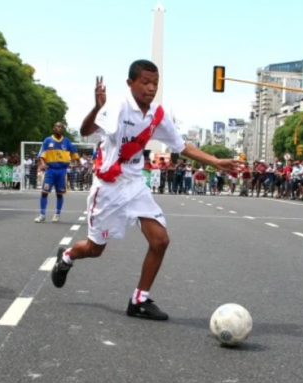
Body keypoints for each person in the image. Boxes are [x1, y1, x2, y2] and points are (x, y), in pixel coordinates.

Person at [51, 61, 241, 320]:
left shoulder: (156, 114)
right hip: (108, 187)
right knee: (95, 249)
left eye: (155, 83)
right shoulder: (117, 107)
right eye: (145, 82)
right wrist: (97, 108)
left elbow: (181, 146)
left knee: (160, 240)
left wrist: (215, 161)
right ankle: (67, 257)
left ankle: (139, 300)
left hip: (135, 185)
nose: (151, 88)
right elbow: (85, 131)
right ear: (130, 83)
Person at [35, 122, 78, 223]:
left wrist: (78, 162)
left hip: (62, 171)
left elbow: (74, 154)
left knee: (59, 194)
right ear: (54, 128)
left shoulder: (67, 141)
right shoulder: (47, 140)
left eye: (61, 127)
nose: (59, 128)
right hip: (50, 170)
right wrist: (42, 163)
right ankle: (42, 215)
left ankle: (57, 214)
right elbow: (41, 155)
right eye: (58, 126)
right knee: (44, 192)